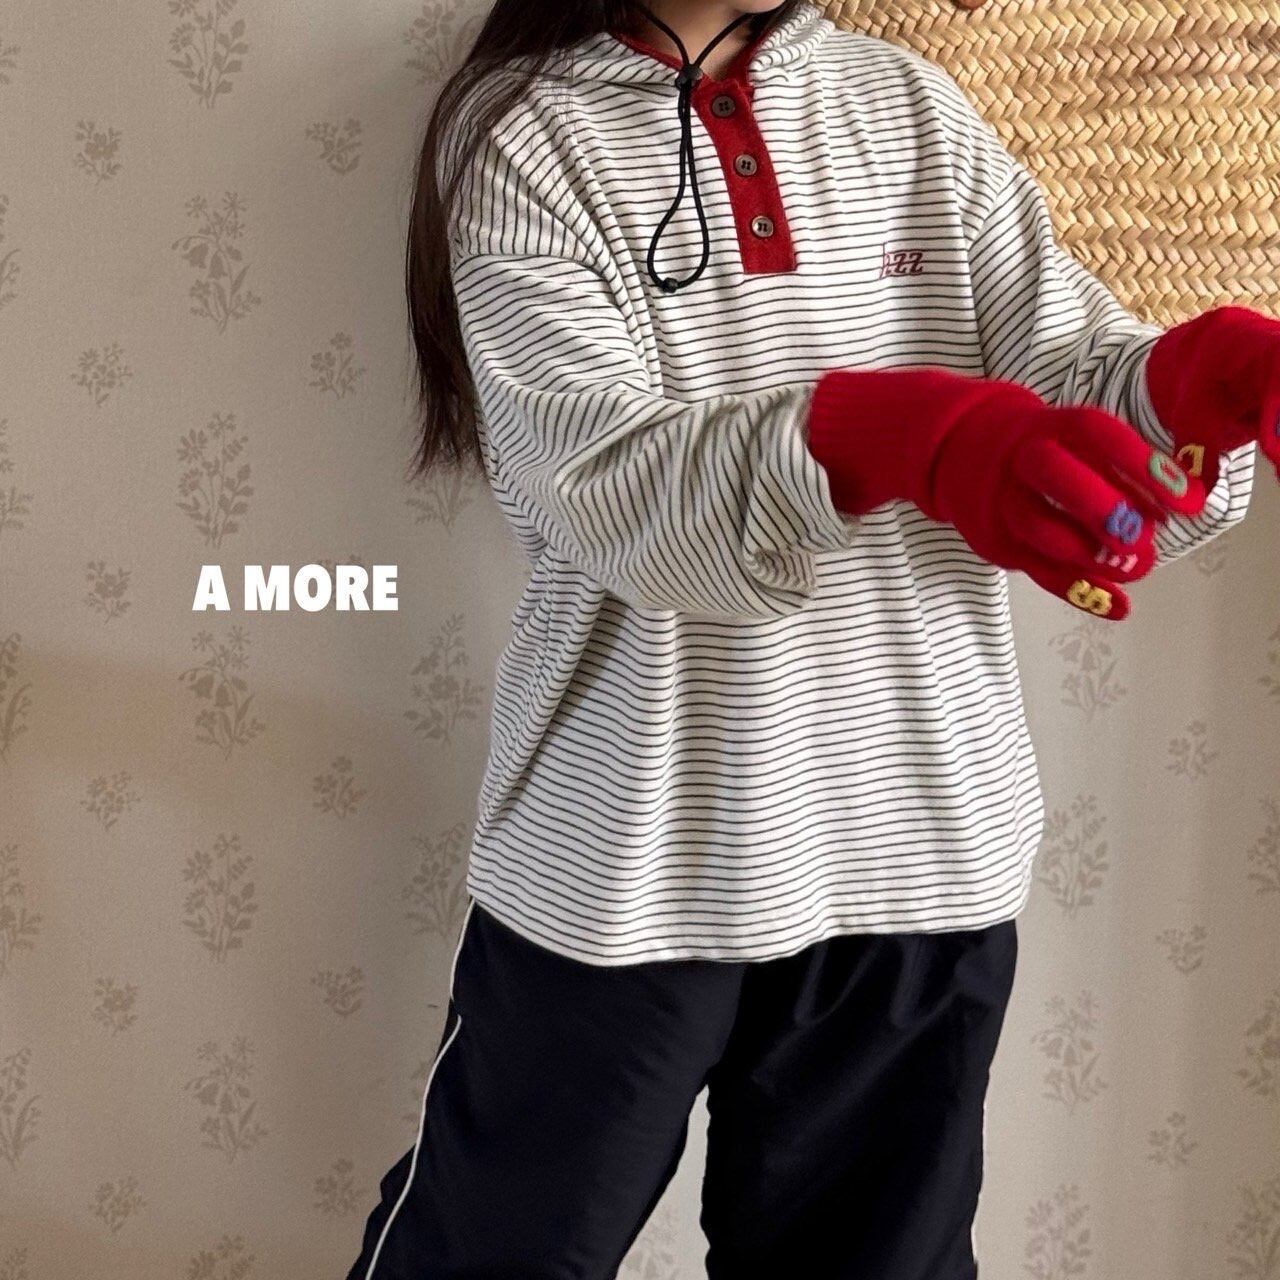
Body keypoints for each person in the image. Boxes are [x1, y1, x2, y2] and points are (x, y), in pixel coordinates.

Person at [347, 2, 1278, 1276]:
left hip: (918, 842)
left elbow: (1068, 377)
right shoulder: (526, 136)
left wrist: (1182, 391)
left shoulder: (909, 107)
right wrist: (901, 435)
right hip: (629, 855)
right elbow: (606, 485)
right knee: (488, 1253)